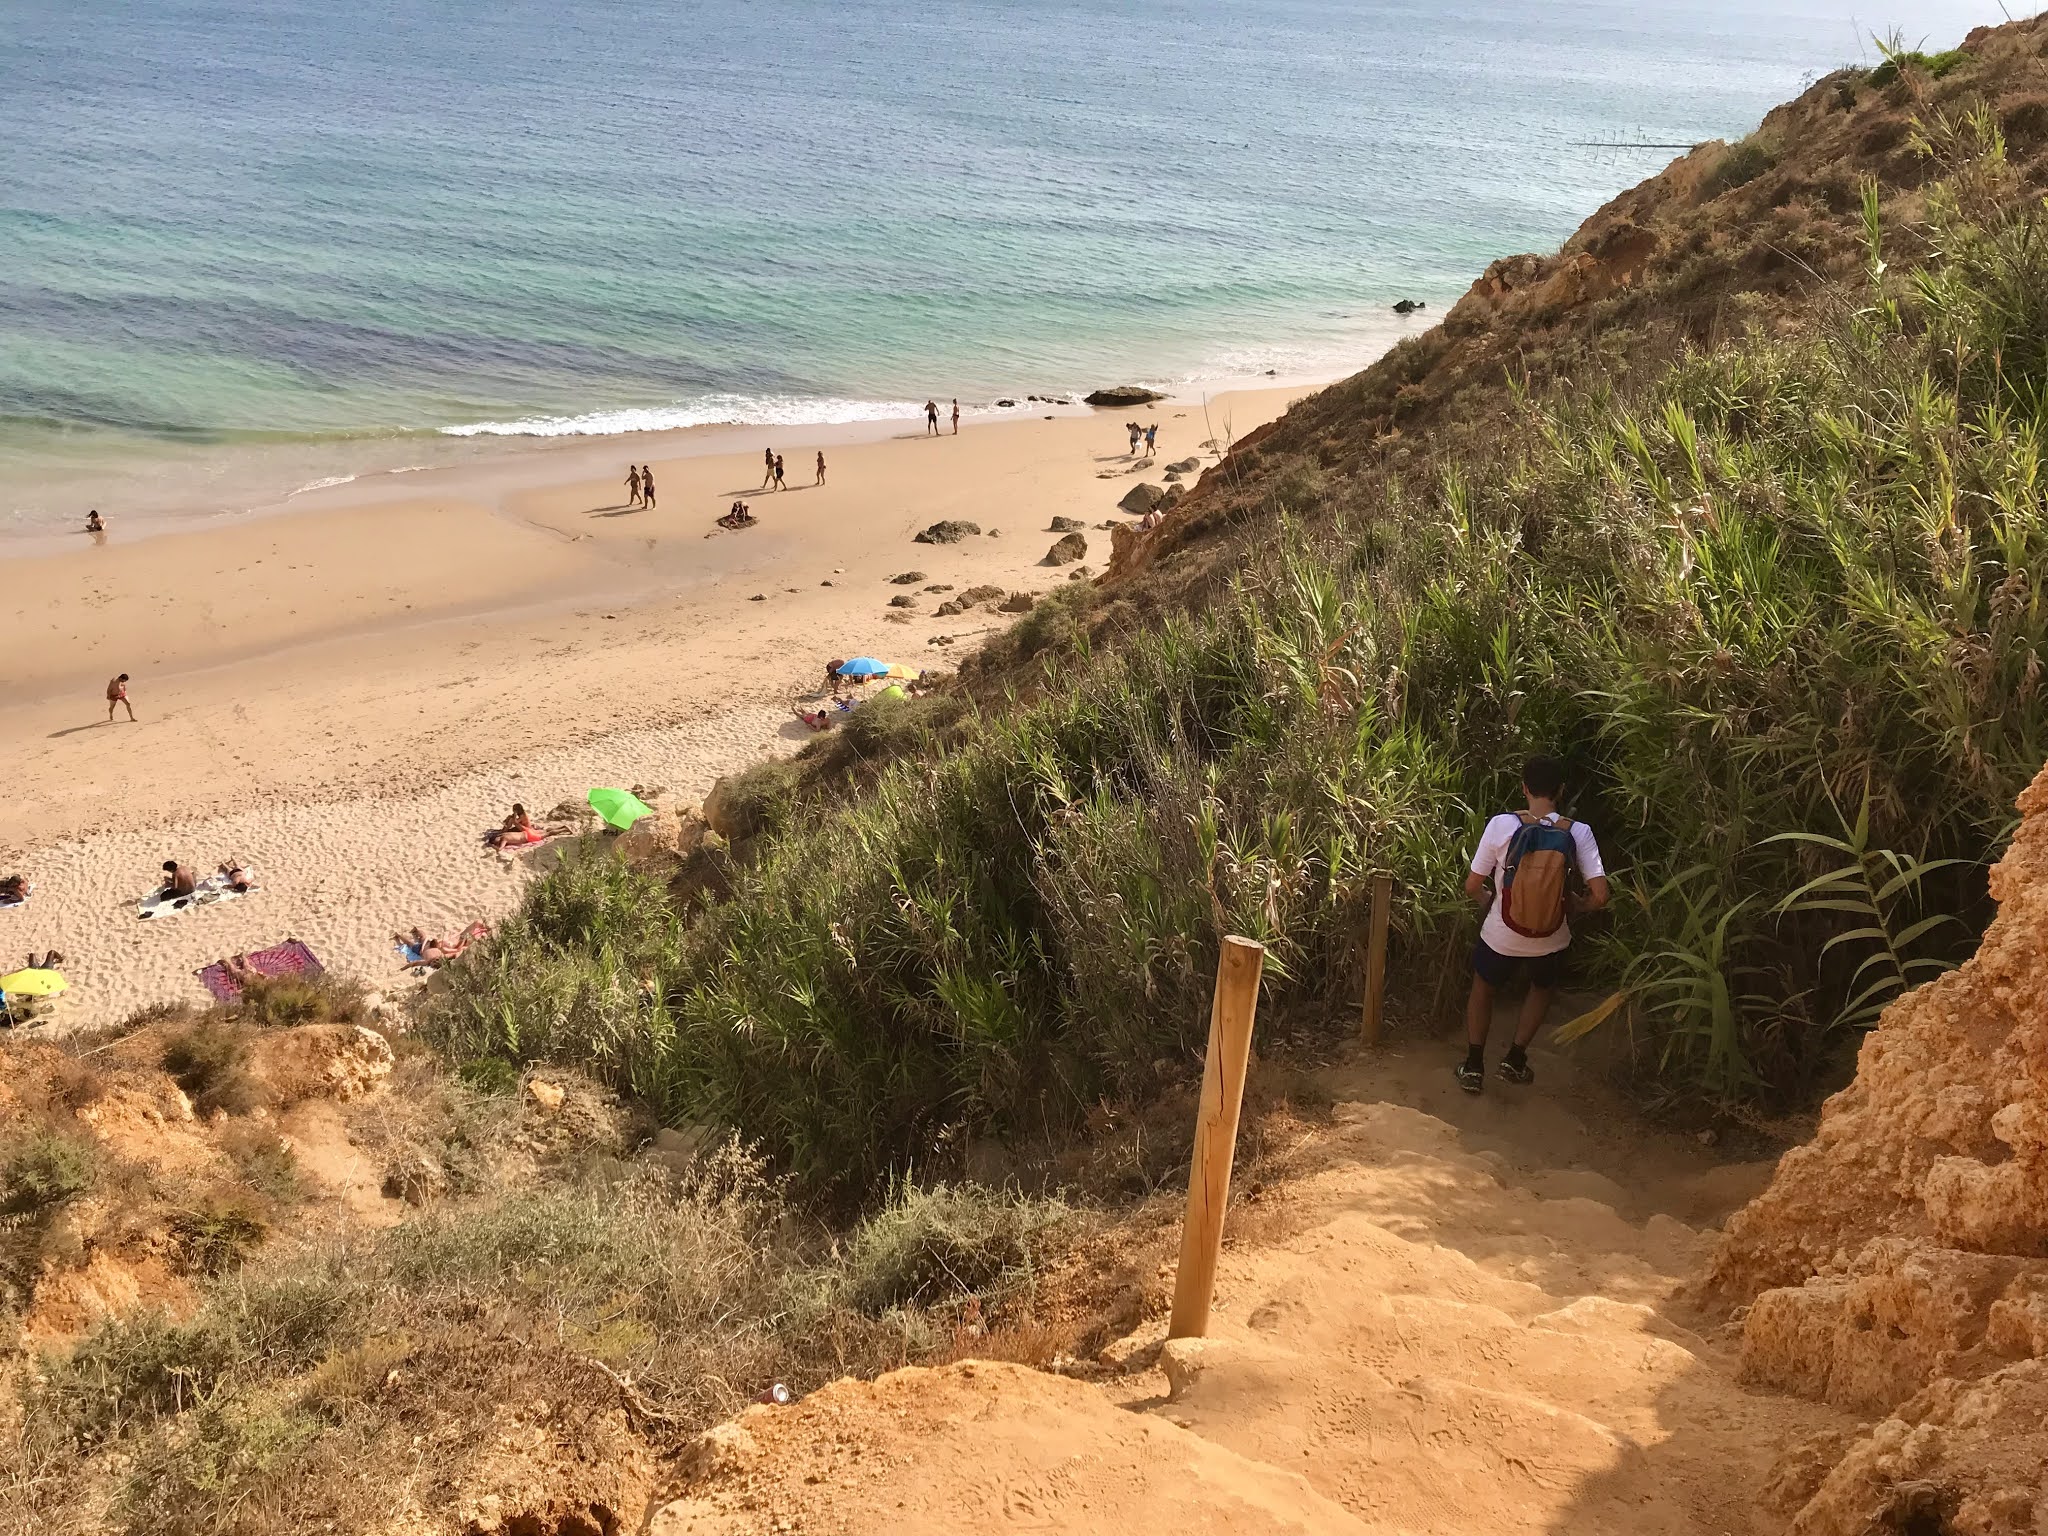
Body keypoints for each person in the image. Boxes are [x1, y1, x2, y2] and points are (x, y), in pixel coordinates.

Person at [1458, 755, 1609, 1093]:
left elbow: (1471, 885)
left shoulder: (1501, 824)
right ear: (1561, 791)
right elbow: (1600, 895)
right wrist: (1575, 906)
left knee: (1483, 987)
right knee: (1541, 989)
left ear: (1524, 787)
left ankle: (1473, 1066)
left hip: (1501, 934)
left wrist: (1491, 902)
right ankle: (1514, 1059)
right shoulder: (1578, 832)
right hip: (1552, 937)